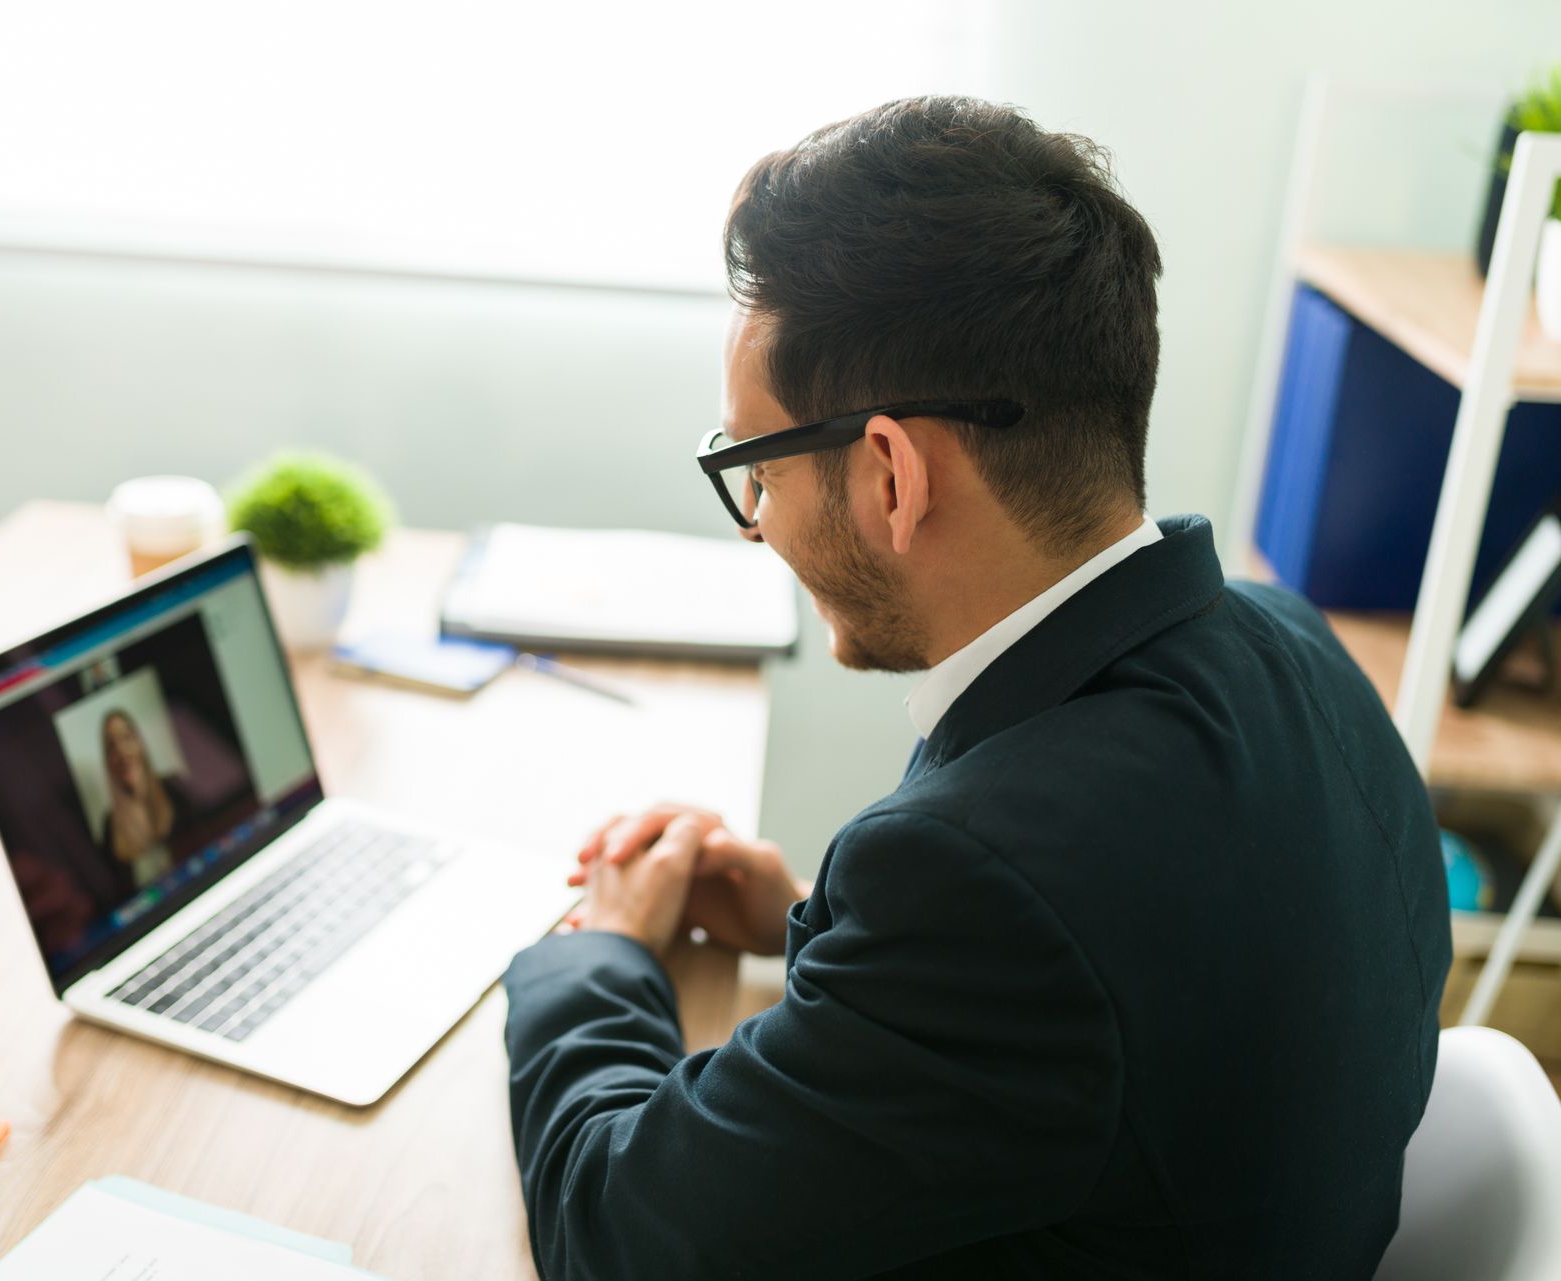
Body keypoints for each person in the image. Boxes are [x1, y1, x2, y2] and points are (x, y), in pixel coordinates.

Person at [502, 96, 1452, 1281]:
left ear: (891, 473)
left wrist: (603, 949)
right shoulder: (1289, 645)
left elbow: (614, 1236)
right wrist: (806, 925)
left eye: (756, 468)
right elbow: (1117, 997)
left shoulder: (984, 879)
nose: (758, 527)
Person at [98, 707, 191, 889]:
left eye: (127, 738)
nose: (122, 752)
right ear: (108, 761)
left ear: (140, 743)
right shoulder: (110, 825)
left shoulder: (174, 789)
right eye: (111, 747)